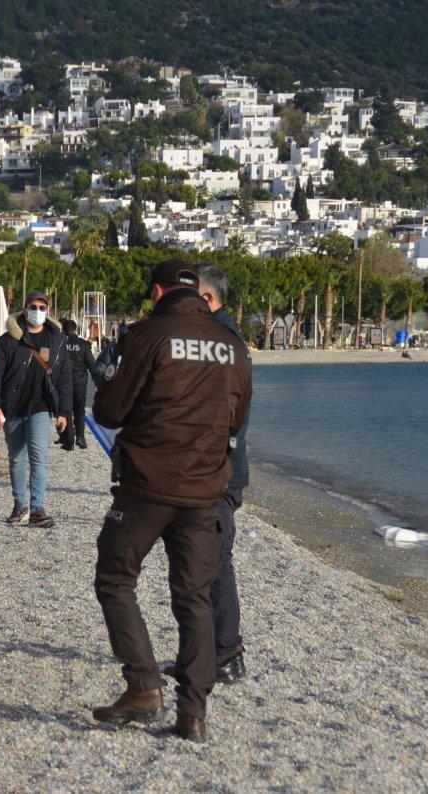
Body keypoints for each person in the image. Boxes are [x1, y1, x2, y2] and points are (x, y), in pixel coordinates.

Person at [90, 259, 251, 743]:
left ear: (157, 291)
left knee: (116, 578)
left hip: (147, 485)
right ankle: (193, 713)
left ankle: (143, 686)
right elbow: (236, 419)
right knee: (194, 597)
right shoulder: (232, 345)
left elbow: (110, 409)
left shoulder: (146, 335)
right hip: (205, 490)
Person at [196, 264, 250, 683]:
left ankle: (228, 655)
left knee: (216, 561)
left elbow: (231, 414)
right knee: (200, 562)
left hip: (219, 471)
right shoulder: (214, 339)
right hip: (210, 468)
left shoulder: (225, 343)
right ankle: (203, 653)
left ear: (208, 299)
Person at [0, 292, 71, 528]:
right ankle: (20, 506)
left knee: (39, 456)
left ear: (48, 311)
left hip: (40, 408)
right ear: (24, 309)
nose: (38, 311)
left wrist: (64, 412)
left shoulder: (57, 340)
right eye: (34, 306)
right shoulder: (8, 340)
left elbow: (64, 379)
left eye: (43, 307)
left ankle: (38, 508)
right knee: (17, 459)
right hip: (12, 408)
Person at [57, 319, 97, 451]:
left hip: (63, 383)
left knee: (66, 409)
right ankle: (80, 437)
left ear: (63, 330)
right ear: (75, 330)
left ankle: (68, 441)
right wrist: (98, 383)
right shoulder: (84, 345)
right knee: (80, 410)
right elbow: (92, 365)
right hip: (80, 383)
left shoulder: (60, 343)